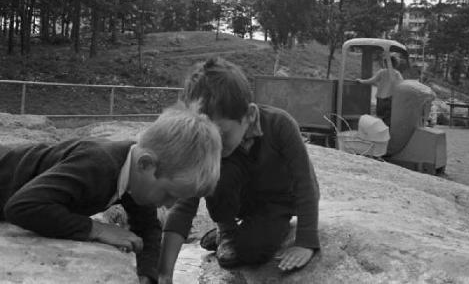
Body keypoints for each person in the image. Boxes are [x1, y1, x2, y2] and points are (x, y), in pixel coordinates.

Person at [0, 103, 221, 284]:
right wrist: (95, 229)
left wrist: (147, 275)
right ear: (146, 165)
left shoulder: (134, 177)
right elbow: (21, 207)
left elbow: (148, 229)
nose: (170, 205)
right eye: (168, 194)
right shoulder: (98, 165)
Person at [158, 58, 320, 282]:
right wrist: (164, 273)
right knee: (219, 176)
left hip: (277, 203)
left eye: (222, 134)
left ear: (250, 115)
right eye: (207, 134)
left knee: (253, 252)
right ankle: (226, 230)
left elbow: (306, 184)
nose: (214, 143)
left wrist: (305, 242)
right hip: (240, 203)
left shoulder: (280, 125)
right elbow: (185, 204)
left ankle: (234, 235)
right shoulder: (211, 147)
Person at [357, 54, 404, 126]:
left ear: (386, 63)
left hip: (380, 99)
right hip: (390, 99)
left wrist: (361, 81)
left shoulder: (382, 72)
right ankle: (387, 132)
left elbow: (371, 80)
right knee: (388, 118)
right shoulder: (397, 74)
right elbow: (401, 86)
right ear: (395, 64)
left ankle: (380, 131)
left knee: (380, 117)